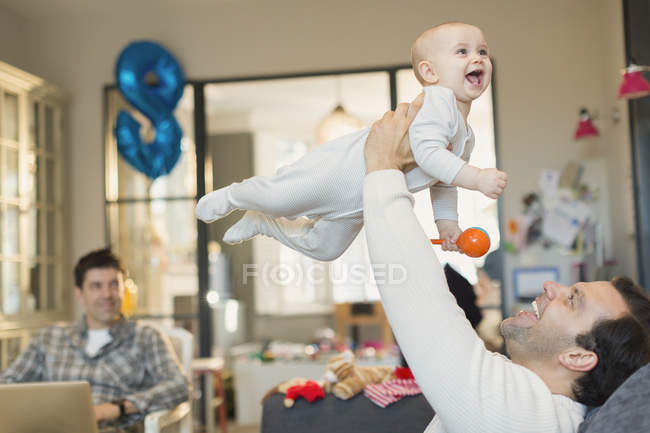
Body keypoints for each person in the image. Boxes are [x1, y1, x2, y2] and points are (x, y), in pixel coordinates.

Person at [361, 97, 650, 433]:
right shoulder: (534, 401)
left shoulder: (521, 414)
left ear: (579, 357)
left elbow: (421, 304)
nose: (550, 287)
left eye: (571, 300)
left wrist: (382, 165)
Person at [195, 22, 508, 261]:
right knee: (279, 196)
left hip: (362, 200)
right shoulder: (437, 104)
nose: (477, 57)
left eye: (482, 51)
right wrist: (477, 178)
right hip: (340, 172)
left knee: (326, 249)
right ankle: (235, 196)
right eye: (462, 51)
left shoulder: (465, 135)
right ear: (429, 72)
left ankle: (263, 224)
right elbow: (428, 154)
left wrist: (448, 224)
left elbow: (444, 181)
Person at [0, 248, 190, 433]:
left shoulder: (147, 337)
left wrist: (118, 408)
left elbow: (178, 385)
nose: (107, 294)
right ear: (79, 293)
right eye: (96, 286)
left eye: (114, 284)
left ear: (124, 289)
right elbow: (7, 385)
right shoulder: (48, 339)